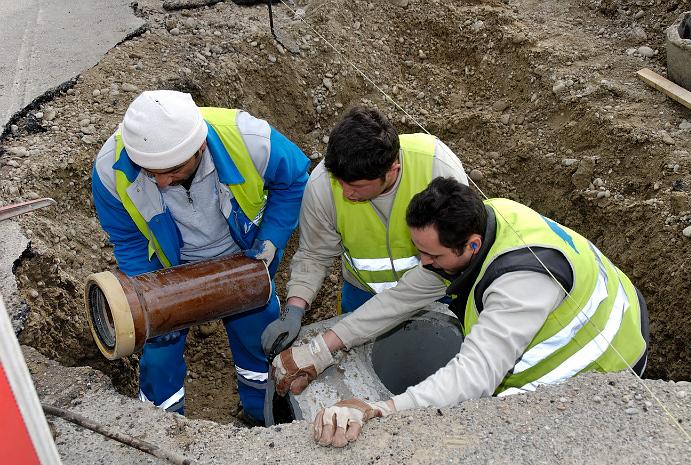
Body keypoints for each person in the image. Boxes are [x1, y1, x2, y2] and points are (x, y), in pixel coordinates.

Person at [272, 177, 650, 447]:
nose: (423, 262)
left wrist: (380, 409)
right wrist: (322, 348)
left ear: (471, 246)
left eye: (432, 256)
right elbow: (404, 296)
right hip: (602, 311)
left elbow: (474, 376)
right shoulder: (491, 217)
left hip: (601, 367)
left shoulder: (518, 284)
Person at [91, 90, 309, 425]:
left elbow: (293, 181)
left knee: (259, 342)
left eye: (172, 169)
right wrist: (149, 298)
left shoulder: (248, 140)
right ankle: (163, 430)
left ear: (200, 147)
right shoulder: (110, 169)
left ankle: (262, 421)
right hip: (169, 271)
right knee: (159, 359)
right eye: (149, 171)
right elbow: (128, 239)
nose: (161, 181)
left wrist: (270, 243)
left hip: (239, 260)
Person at [258, 106, 469, 357]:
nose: (346, 193)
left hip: (435, 288)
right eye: (341, 182)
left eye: (357, 186)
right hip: (362, 294)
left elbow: (455, 250)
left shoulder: (436, 168)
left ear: (392, 170)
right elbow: (314, 253)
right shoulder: (323, 184)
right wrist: (294, 308)